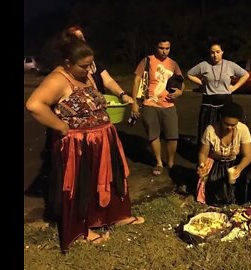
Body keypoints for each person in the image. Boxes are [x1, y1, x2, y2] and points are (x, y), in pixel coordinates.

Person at [25, 37, 144, 253]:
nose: (89, 69)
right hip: (80, 144)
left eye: (91, 64)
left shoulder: (85, 74)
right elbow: (34, 105)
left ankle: (116, 216)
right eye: (84, 65)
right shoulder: (58, 79)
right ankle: (81, 229)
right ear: (68, 62)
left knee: (110, 178)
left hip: (102, 138)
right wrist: (60, 126)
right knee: (84, 185)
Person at [130, 36, 185, 176]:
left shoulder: (173, 64)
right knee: (153, 134)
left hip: (168, 104)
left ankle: (171, 162)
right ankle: (159, 162)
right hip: (150, 103)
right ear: (156, 47)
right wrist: (134, 103)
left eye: (167, 48)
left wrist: (179, 92)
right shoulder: (147, 61)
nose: (164, 51)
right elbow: (137, 80)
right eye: (161, 48)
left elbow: (181, 81)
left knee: (172, 136)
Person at [196, 102, 251, 206]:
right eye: (226, 124)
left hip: (234, 162)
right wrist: (202, 165)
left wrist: (239, 168)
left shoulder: (243, 129)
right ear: (221, 119)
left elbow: (247, 156)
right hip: (216, 163)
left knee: (250, 171)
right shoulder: (210, 130)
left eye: (233, 125)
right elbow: (203, 153)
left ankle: (244, 199)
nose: (229, 127)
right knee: (216, 193)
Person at [187, 41, 249, 144]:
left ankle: (225, 152)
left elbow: (245, 75)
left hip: (225, 102)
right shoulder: (204, 65)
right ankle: (207, 154)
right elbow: (189, 74)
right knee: (207, 129)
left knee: (226, 128)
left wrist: (234, 87)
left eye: (217, 52)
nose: (215, 55)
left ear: (222, 52)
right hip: (208, 103)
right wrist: (202, 84)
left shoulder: (230, 65)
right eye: (212, 52)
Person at [65, 25, 130, 97]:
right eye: (83, 66)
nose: (87, 69)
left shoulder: (93, 60)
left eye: (81, 37)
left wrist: (122, 94)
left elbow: (108, 81)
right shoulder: (65, 72)